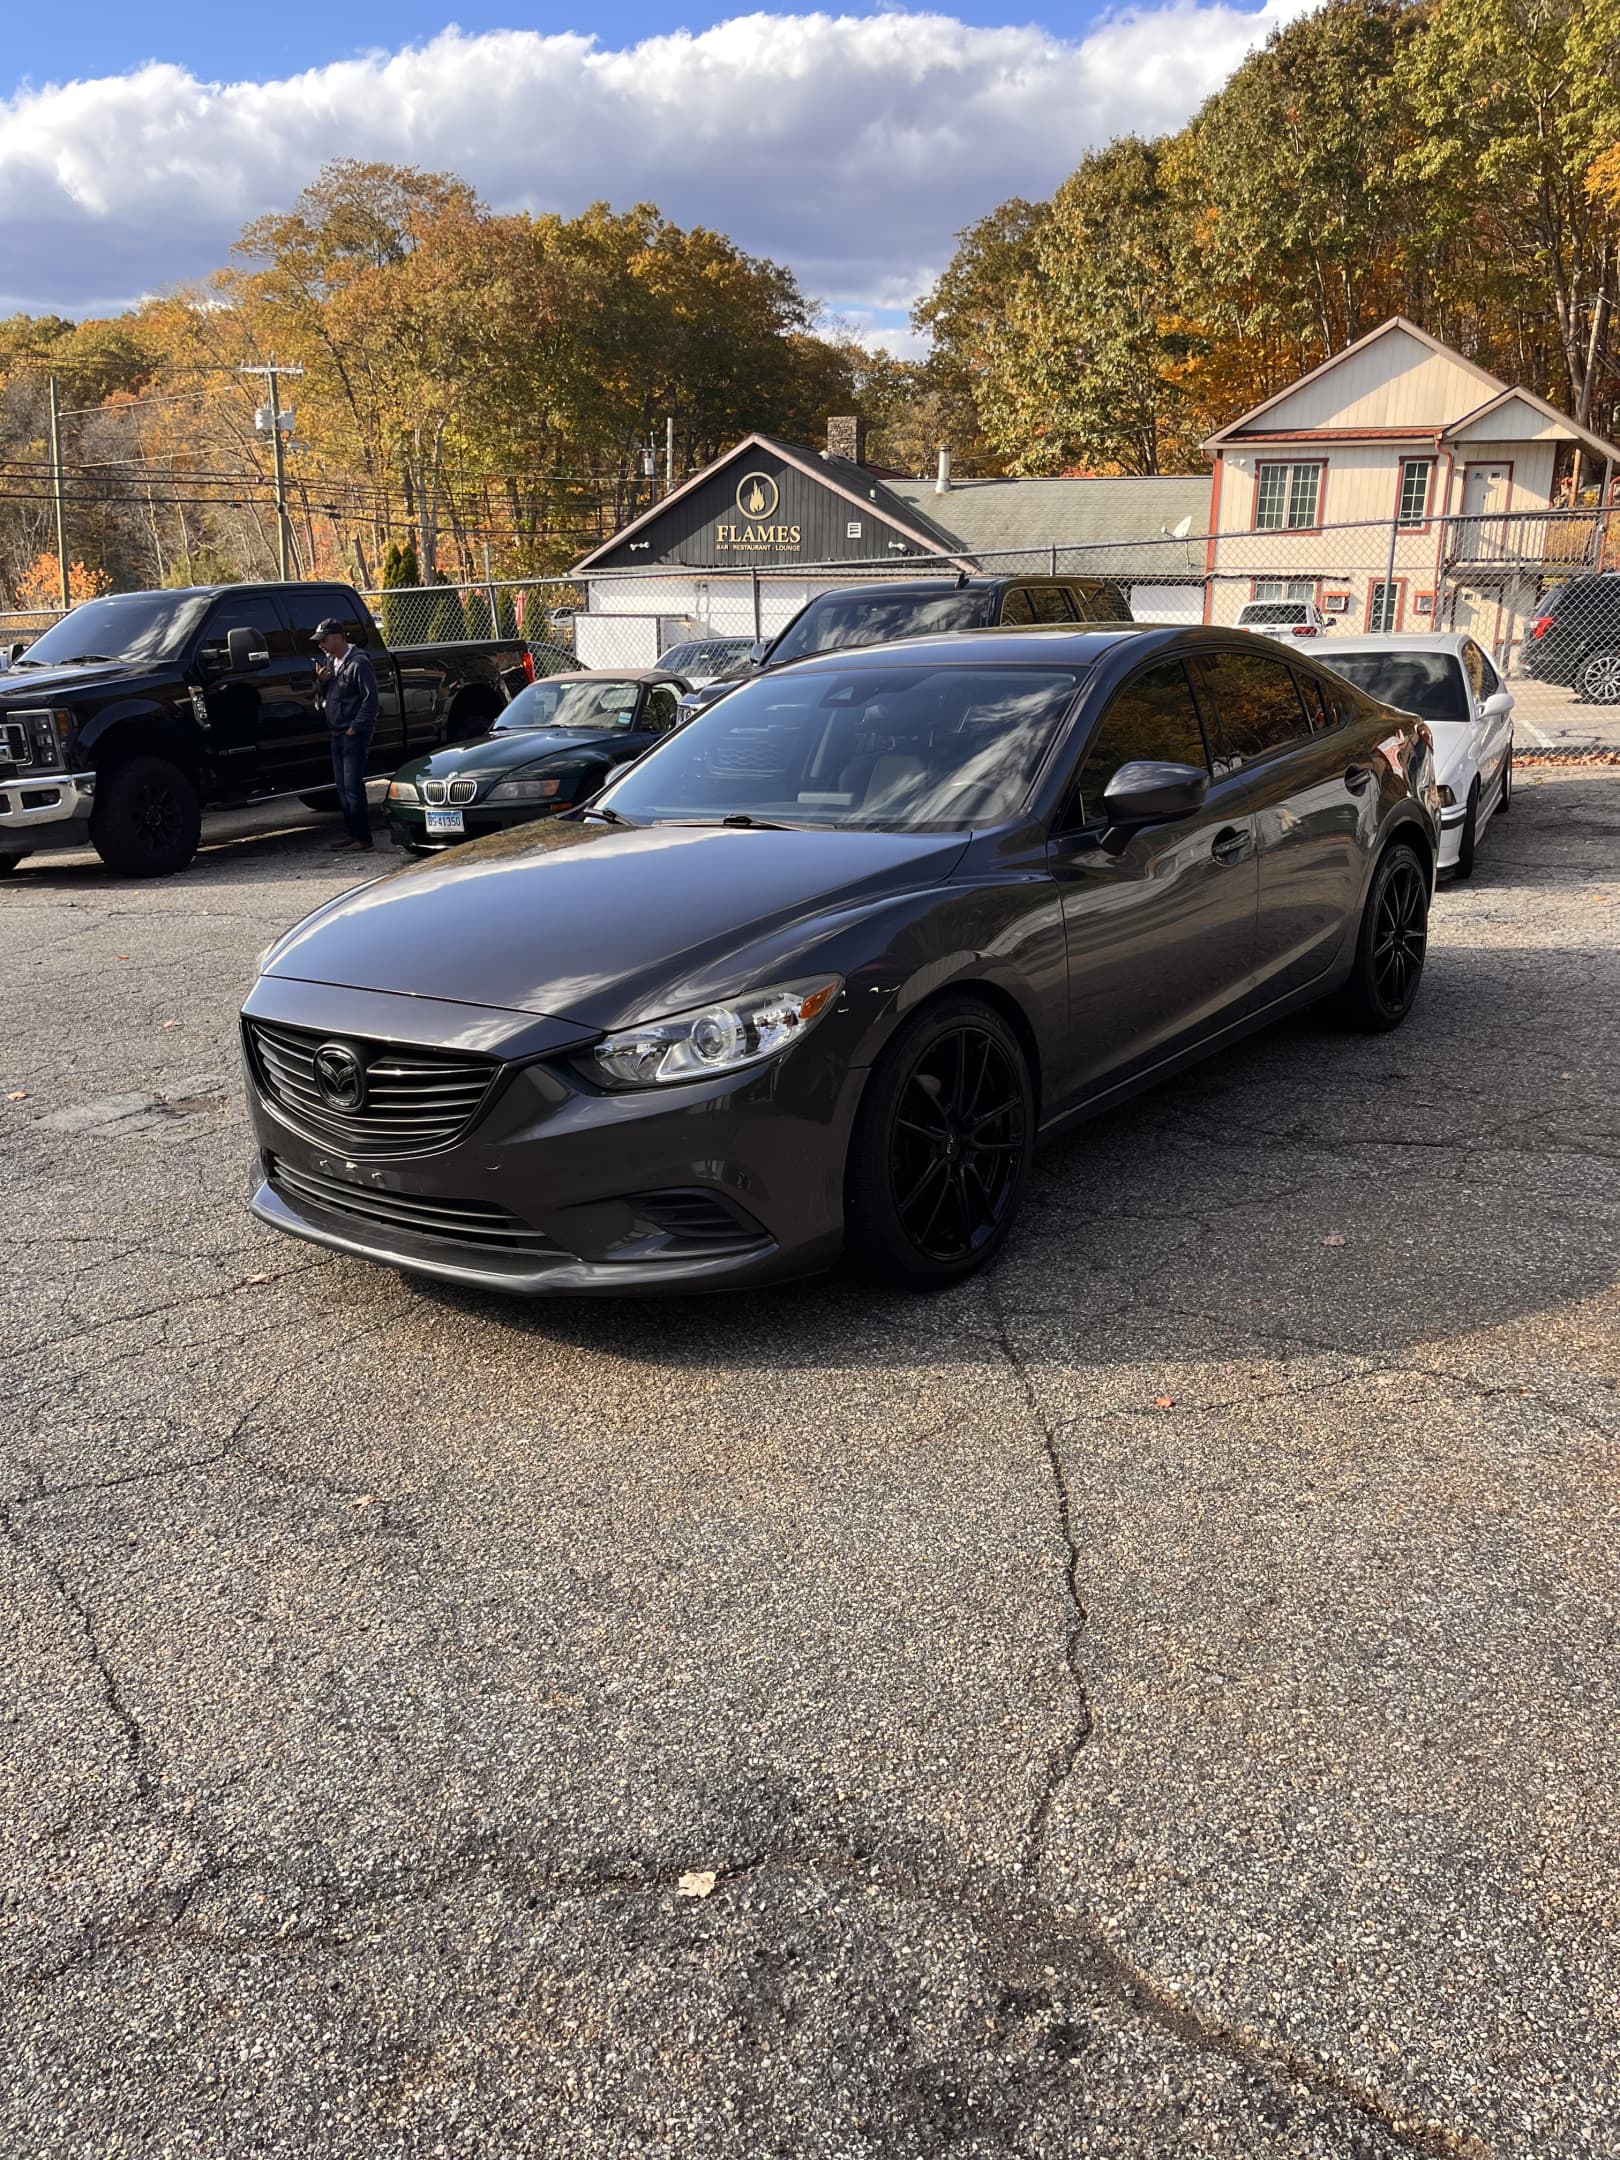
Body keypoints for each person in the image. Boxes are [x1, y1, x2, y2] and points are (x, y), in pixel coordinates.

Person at [312, 617, 380, 851]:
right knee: (341, 786)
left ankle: (363, 838)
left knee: (352, 786)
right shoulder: (331, 662)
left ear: (339, 637)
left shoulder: (359, 663)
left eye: (324, 639)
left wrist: (356, 727)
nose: (321, 645)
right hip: (337, 731)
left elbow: (371, 699)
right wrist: (322, 682)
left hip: (352, 732)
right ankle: (352, 833)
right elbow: (327, 694)